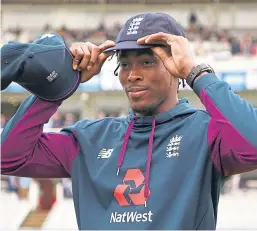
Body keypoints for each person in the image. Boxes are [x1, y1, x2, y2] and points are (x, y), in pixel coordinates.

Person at [1, 13, 257, 230]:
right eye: (125, 64)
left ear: (175, 66)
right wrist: (59, 86)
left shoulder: (205, 133)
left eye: (147, 62)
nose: (133, 75)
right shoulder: (89, 138)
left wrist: (196, 72)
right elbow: (7, 157)